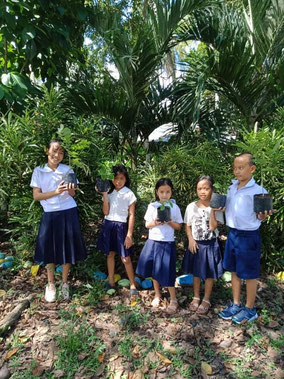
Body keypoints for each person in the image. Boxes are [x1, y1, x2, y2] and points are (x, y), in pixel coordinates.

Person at [30, 139, 87, 302]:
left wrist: (70, 190)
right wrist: (56, 191)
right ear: (47, 150)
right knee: (49, 250)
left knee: (67, 249)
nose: (57, 155)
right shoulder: (39, 171)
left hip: (68, 211)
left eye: (61, 152)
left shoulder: (67, 169)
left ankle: (64, 283)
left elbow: (73, 194)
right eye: (55, 150)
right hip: (50, 214)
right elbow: (36, 196)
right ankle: (51, 285)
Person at [219, 153, 272, 324]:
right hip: (232, 233)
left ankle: (250, 309)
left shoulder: (259, 191)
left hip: (248, 236)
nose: (237, 171)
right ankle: (235, 304)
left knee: (249, 274)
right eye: (235, 168)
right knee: (234, 271)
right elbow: (227, 208)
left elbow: (261, 216)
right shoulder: (232, 187)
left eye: (241, 167)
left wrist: (263, 215)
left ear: (252, 168)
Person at [136, 178, 183, 314]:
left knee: (168, 271)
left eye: (167, 192)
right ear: (157, 192)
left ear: (171, 192)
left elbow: (178, 226)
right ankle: (157, 294)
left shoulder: (174, 207)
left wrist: (169, 221)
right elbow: (147, 224)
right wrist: (155, 222)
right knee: (155, 270)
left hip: (167, 243)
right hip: (153, 242)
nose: (164, 195)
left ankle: (173, 299)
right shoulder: (152, 206)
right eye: (161, 191)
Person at [182, 176, 224, 314]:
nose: (203, 191)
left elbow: (212, 227)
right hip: (196, 244)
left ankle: (206, 298)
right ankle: (196, 297)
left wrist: (213, 210)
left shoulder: (217, 207)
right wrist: (191, 239)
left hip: (211, 244)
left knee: (209, 273)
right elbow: (187, 225)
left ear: (212, 189)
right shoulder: (191, 207)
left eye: (206, 188)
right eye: (199, 188)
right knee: (196, 272)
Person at [96, 164, 138, 297]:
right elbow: (106, 212)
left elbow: (131, 215)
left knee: (125, 257)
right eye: (116, 178)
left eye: (121, 178)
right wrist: (104, 195)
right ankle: (111, 282)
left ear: (125, 179)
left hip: (121, 227)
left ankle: (132, 284)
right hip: (108, 225)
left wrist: (129, 235)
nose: (118, 181)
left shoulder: (129, 193)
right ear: (112, 179)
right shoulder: (110, 192)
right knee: (110, 254)